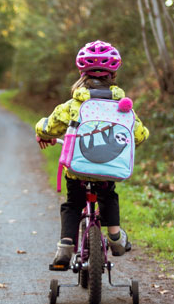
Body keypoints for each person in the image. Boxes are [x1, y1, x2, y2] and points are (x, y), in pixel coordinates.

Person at [34, 40, 150, 268]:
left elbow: (49, 126)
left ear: (81, 72)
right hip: (108, 171)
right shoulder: (123, 106)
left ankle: (66, 246)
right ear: (113, 74)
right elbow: (140, 135)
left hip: (78, 171)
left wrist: (41, 131)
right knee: (109, 196)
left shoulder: (74, 104)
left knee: (72, 203)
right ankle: (115, 237)